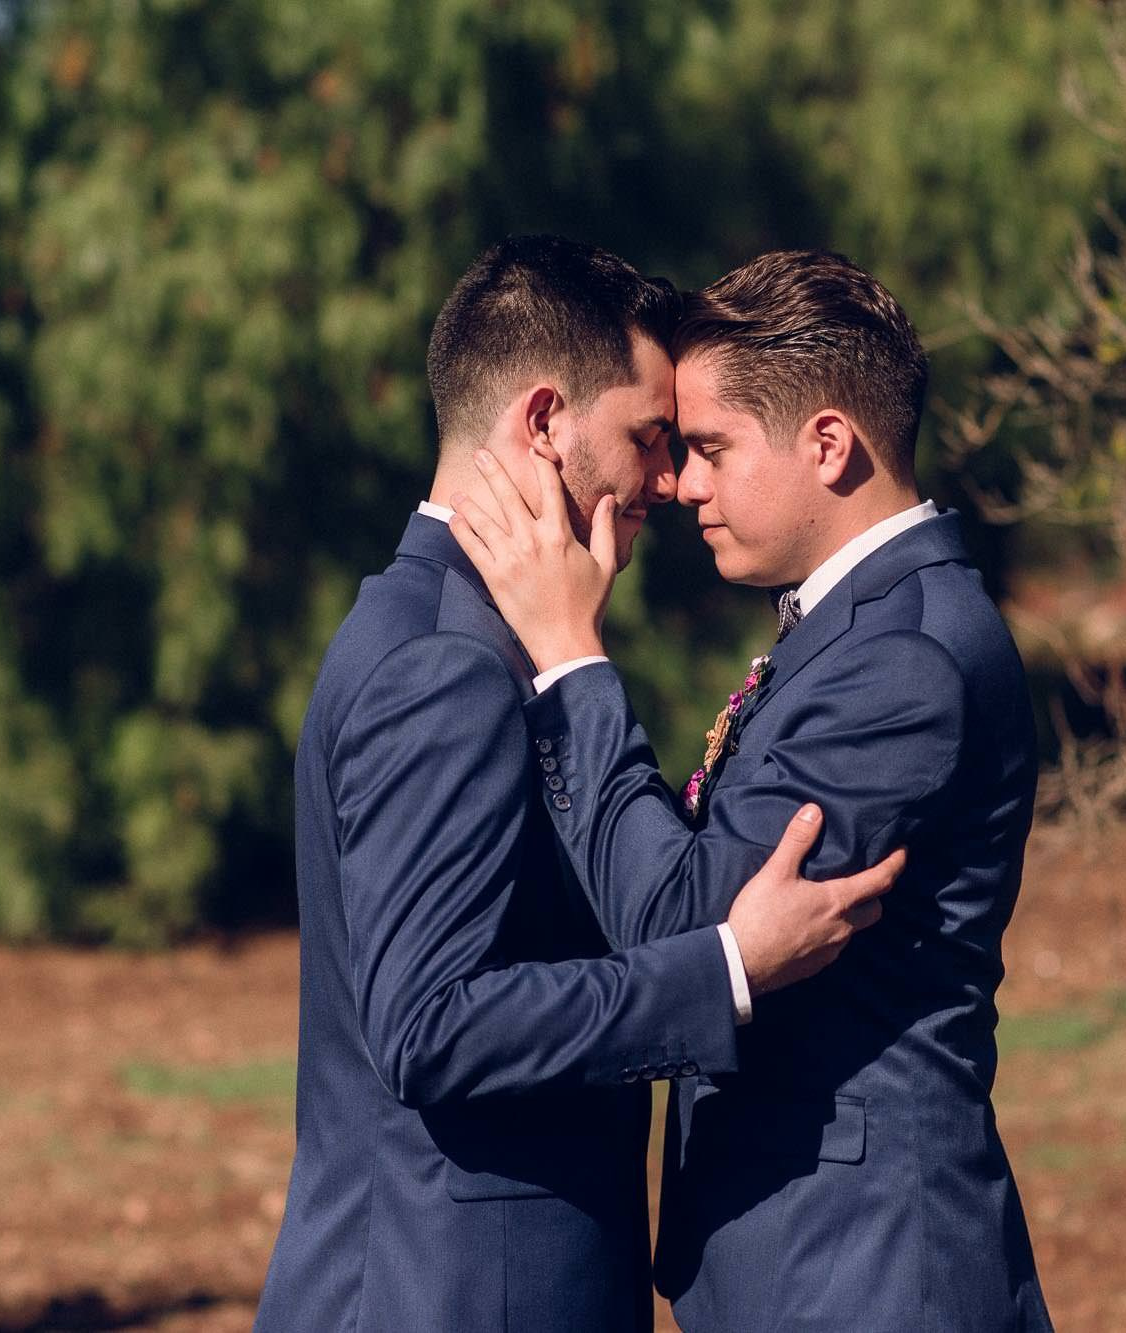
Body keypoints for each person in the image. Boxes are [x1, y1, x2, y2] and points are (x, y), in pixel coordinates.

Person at [255, 236, 906, 1332]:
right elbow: (428, 1027)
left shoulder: (455, 628)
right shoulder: (445, 664)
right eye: (646, 437)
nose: (668, 477)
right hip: (459, 1289)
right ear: (543, 420)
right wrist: (726, 968)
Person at [450, 249, 1052, 1330]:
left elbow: (679, 922)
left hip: (866, 1275)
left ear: (827, 443)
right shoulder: (856, 631)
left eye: (710, 449)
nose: (679, 484)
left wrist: (568, 658)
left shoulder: (901, 658)